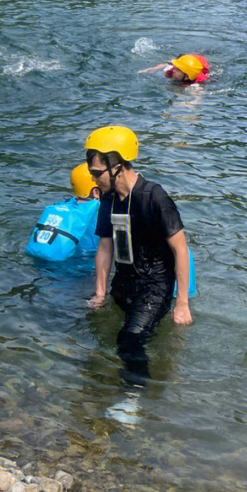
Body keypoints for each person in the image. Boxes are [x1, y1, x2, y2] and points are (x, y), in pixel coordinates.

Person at [84, 125, 192, 386]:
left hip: (154, 285)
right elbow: (105, 247)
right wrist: (100, 293)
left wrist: (182, 303)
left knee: (128, 340)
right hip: (124, 282)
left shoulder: (154, 197)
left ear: (118, 166)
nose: (93, 180)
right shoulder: (109, 200)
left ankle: (133, 398)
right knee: (100, 334)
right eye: (91, 173)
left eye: (97, 173)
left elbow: (181, 248)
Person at [139, 53, 209, 85]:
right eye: (176, 68)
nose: (174, 70)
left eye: (178, 70)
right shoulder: (172, 70)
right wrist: (152, 69)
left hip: (195, 64)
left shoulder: (199, 81)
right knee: (169, 64)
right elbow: (170, 65)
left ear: (187, 77)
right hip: (187, 62)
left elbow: (197, 96)